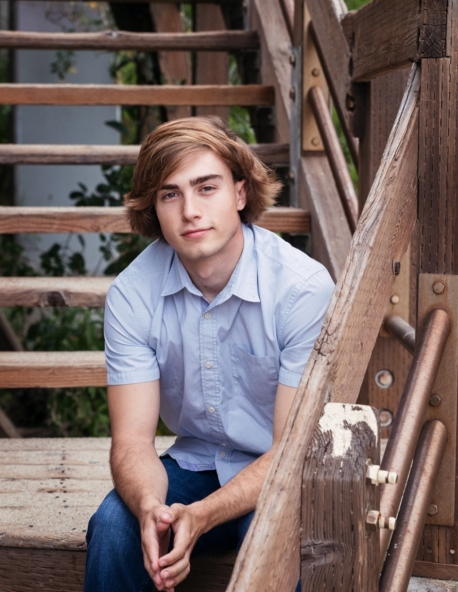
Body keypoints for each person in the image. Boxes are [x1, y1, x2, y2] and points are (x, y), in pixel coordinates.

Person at [83, 117, 335, 591]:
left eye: (206, 187)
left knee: (282, 540)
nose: (190, 211)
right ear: (154, 210)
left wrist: (200, 516)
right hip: (196, 464)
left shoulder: (300, 289)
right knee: (115, 527)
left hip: (278, 474)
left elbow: (290, 453)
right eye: (170, 194)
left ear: (240, 194)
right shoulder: (133, 295)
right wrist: (150, 508)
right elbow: (133, 443)